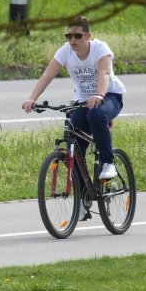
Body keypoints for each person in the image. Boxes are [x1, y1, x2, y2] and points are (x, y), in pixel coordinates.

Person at [22, 16, 126, 215]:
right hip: (83, 101)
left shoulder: (100, 49)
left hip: (109, 96)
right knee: (73, 138)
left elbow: (104, 73)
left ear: (88, 36)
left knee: (96, 116)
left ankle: (108, 162)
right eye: (68, 36)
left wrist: (99, 95)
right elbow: (48, 75)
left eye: (77, 36)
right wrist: (32, 98)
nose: (72, 40)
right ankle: (83, 197)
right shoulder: (65, 51)